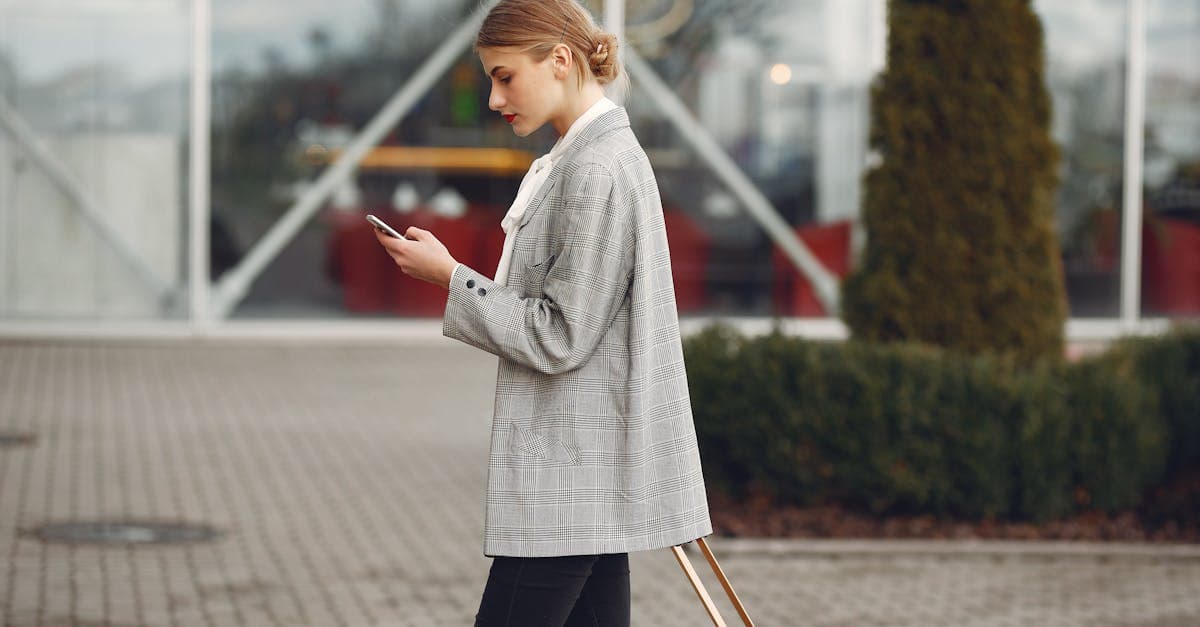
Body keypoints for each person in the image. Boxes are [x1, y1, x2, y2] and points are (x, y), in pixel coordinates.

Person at [372, 1, 712, 624]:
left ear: (558, 61)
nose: (496, 99)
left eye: (504, 76)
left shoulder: (595, 168)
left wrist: (450, 277)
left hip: (569, 479)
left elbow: (560, 335)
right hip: (586, 480)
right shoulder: (590, 156)